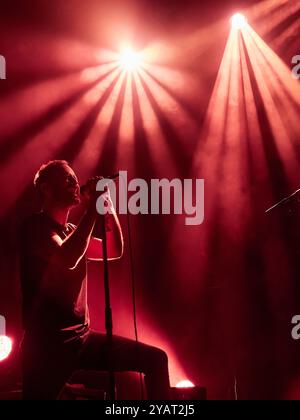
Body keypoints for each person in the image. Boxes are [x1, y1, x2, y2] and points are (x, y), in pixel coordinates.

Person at [20, 160, 170, 400]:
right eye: (68, 178)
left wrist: (105, 204)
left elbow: (114, 249)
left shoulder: (71, 230)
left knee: (155, 359)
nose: (75, 183)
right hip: (47, 346)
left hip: (81, 338)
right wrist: (92, 209)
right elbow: (67, 257)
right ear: (46, 189)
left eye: (75, 178)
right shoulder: (35, 228)